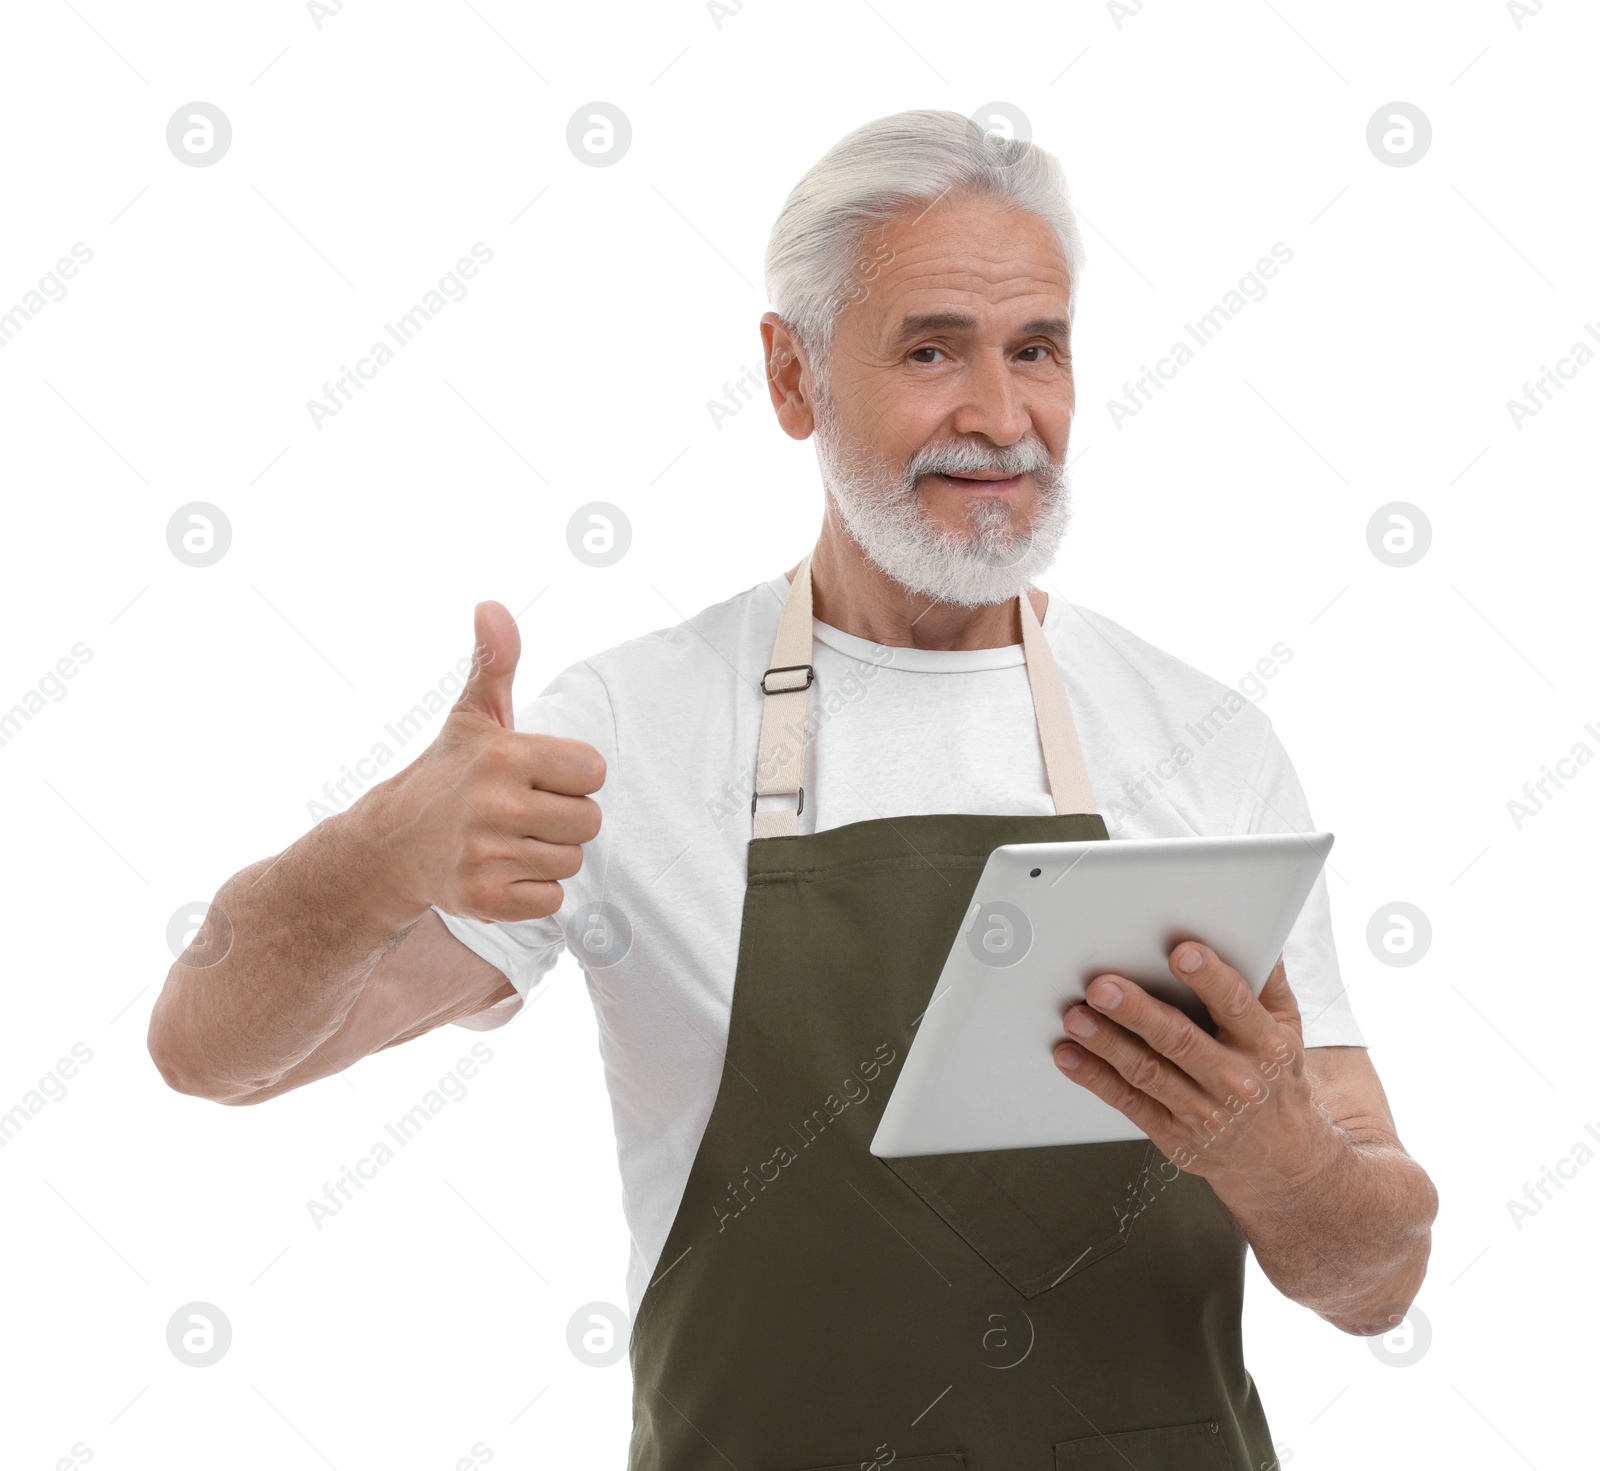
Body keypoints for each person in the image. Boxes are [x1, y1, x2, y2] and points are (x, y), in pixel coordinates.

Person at [149, 109, 1437, 1469]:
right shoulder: (630, 731)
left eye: (1037, 351)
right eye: (933, 349)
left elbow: (1380, 1282)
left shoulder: (1204, 740)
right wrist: (376, 850)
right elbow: (214, 1057)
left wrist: (1280, 1158)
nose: (1002, 420)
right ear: (791, 374)